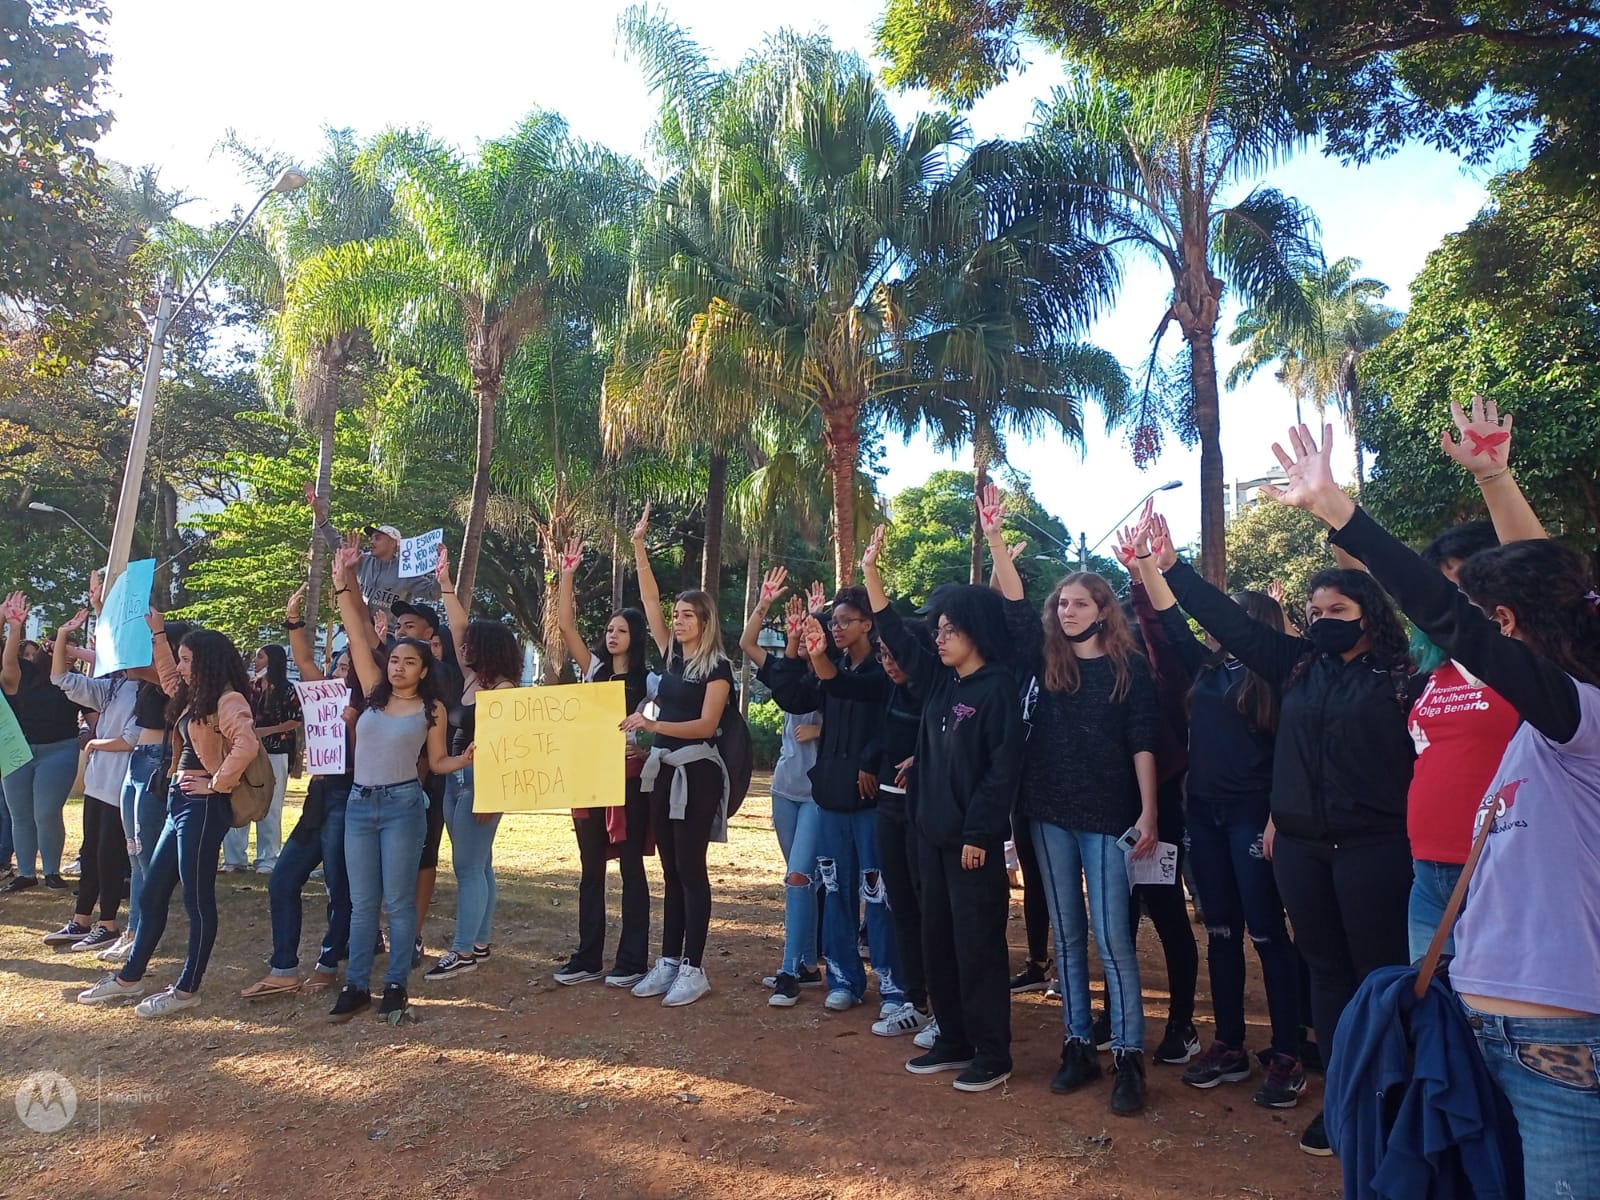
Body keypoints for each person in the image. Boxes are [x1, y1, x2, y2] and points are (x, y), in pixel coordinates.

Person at [1269, 415, 1600, 1200]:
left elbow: (1491, 609)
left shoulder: (1579, 715)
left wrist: (1341, 515)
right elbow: (1546, 589)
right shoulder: (1543, 721)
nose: (1465, 629)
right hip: (1491, 1025)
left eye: (1485, 617)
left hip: (1558, 1039)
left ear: (1509, 626)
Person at [1148, 503, 1419, 1156]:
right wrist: (1172, 568)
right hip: (1301, 849)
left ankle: (1393, 1097)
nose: (1323, 622)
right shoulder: (1296, 666)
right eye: (1315, 612)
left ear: (1369, 617)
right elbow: (1226, 623)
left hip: (1374, 849)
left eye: (1338, 613)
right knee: (1324, 973)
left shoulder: (1402, 678)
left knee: (1377, 975)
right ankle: (1343, 1102)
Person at [984, 492, 1159, 1116]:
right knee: (1066, 933)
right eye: (1062, 602)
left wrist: (1149, 813)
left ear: (1104, 611)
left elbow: (1144, 742)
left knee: (1113, 937)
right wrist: (998, 541)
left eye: (1081, 602)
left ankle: (1129, 1056)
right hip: (1047, 811)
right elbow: (1011, 609)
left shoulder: (1128, 668)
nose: (1068, 609)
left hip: (1109, 815)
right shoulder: (1042, 657)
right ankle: (1077, 1044)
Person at [1125, 527, 1307, 1108]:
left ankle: (1286, 1051)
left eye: (1231, 619)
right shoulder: (1206, 669)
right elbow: (1170, 623)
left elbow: (1290, 756)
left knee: (1268, 933)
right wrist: (1147, 569)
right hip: (1202, 815)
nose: (1216, 627)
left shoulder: (1277, 677)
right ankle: (1229, 1043)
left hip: (1252, 817)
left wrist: (1280, 814)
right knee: (1222, 932)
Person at [862, 524, 1024, 1094]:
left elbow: (1001, 772)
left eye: (950, 630)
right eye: (938, 630)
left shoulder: (998, 688)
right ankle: (951, 1036)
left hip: (970, 845)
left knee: (978, 946)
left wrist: (981, 834)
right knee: (938, 940)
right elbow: (897, 639)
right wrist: (871, 574)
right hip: (925, 836)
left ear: (976, 632)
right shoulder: (939, 682)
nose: (939, 638)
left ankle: (991, 1051)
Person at [1404, 397, 1547, 961]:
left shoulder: (1535, 657)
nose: (1458, 601)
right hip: (1427, 871)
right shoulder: (1433, 671)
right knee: (1435, 1024)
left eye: (1468, 583)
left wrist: (1493, 475)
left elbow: (1540, 571)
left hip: (1507, 867)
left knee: (1497, 1029)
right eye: (1446, 589)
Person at [78, 623, 261, 1017]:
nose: (179, 667)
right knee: (152, 892)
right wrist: (158, 634)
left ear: (207, 663)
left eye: (187, 659)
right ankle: (130, 978)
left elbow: (247, 744)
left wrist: (216, 783)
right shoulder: (193, 696)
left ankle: (187, 989)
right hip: (179, 802)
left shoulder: (228, 701)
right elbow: (165, 675)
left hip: (202, 806)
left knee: (197, 900)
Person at [324, 541, 473, 1021]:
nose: (399, 666)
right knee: (363, 901)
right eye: (394, 660)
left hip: (404, 806)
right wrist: (344, 579)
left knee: (398, 901)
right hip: (359, 805)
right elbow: (356, 626)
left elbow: (435, 762)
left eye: (410, 662)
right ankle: (355, 985)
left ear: (425, 669)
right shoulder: (372, 693)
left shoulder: (429, 709)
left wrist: (465, 758)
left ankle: (394, 984)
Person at [775, 587, 904, 1021]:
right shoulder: (832, 665)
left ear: (868, 623)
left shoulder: (885, 668)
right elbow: (794, 698)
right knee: (835, 890)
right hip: (830, 796)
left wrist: (870, 760)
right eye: (834, 622)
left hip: (869, 803)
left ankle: (891, 983)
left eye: (845, 621)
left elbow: (887, 717)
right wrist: (796, 648)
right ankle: (844, 979)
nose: (837, 628)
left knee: (878, 894)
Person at [624, 503, 734, 1009]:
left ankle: (694, 966)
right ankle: (668, 960)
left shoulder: (718, 668)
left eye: (688, 615)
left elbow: (707, 725)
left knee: (691, 868)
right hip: (662, 771)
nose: (678, 621)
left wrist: (652, 725)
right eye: (678, 615)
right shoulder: (672, 655)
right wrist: (641, 549)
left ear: (705, 621)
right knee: (668, 868)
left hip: (697, 772)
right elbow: (648, 602)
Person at [548, 537, 658, 988]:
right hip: (588, 779)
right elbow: (566, 626)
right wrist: (567, 574)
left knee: (631, 868)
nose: (612, 636)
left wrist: (644, 744)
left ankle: (631, 959)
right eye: (609, 630)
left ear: (635, 637)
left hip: (629, 782)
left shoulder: (649, 679)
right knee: (590, 869)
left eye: (621, 630)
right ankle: (587, 957)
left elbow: (656, 723)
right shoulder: (593, 670)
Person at [240, 584, 357, 999]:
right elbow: (304, 659)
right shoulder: (325, 692)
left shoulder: (374, 703)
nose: (341, 670)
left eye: (348, 664)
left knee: (339, 889)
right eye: (339, 664)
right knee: (282, 880)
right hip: (318, 799)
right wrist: (293, 620)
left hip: (351, 798)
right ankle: (284, 967)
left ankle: (328, 963)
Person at [424, 546, 520, 982]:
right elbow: (459, 622)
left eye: (469, 644)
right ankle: (478, 944)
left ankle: (461, 950)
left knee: (468, 869)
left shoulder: (502, 690)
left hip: (480, 783)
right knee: (480, 866)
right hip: (456, 777)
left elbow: (508, 749)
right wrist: (445, 583)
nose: (461, 646)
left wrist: (493, 796)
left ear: (486, 649)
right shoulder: (471, 679)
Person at [740, 579, 825, 1004]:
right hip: (783, 789)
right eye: (802, 634)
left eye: (814, 634)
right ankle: (808, 964)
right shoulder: (788, 673)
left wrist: (823, 730)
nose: (807, 640)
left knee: (797, 877)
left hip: (817, 796)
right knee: (800, 882)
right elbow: (748, 642)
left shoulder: (837, 677)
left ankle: (788, 971)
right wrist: (764, 603)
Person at [43, 608, 138, 953]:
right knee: (90, 852)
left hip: (121, 784)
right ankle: (81, 920)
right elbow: (62, 680)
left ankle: (108, 924)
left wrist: (95, 742)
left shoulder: (148, 690)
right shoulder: (115, 685)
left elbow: (131, 738)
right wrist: (64, 636)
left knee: (109, 853)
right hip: (98, 783)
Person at [867, 627, 934, 1038]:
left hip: (922, 809)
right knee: (901, 906)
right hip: (888, 806)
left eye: (896, 656)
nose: (889, 664)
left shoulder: (934, 690)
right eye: (883, 656)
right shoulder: (888, 688)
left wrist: (923, 759)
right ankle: (916, 1001)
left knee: (930, 909)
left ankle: (944, 1007)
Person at [2, 590, 84, 893]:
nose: (46, 650)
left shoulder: (70, 680)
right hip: (19, 751)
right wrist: (13, 626)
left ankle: (51, 871)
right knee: (20, 814)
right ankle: (26, 873)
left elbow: (92, 710)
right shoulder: (21, 675)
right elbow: (8, 658)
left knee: (46, 812)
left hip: (59, 749)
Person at [222, 644, 301, 874]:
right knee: (240, 799)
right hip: (248, 750)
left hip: (276, 751)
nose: (256, 660)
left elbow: (295, 719)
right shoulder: (249, 688)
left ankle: (268, 857)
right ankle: (234, 858)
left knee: (271, 803)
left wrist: (269, 731)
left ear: (273, 660)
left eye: (261, 656)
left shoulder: (288, 689)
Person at [309, 488, 440, 618]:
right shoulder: (362, 559)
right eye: (371, 538)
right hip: (359, 628)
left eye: (378, 538)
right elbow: (335, 542)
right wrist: (317, 511)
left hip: (388, 634)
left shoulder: (407, 570)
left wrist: (441, 573)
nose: (371, 542)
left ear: (393, 543)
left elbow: (432, 593)